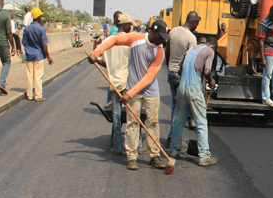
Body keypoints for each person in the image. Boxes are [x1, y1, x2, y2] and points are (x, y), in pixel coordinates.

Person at [89, 20, 170, 171]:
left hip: (150, 90)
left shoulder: (160, 51)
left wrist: (129, 94)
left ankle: (155, 155)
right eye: (160, 36)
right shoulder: (136, 38)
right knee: (133, 123)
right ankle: (132, 156)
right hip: (133, 88)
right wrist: (96, 53)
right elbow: (113, 39)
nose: (162, 40)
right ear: (152, 32)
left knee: (153, 122)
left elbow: (149, 77)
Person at [168, 36, 217, 166]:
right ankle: (204, 156)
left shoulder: (189, 51)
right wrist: (211, 80)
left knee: (178, 121)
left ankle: (173, 150)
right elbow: (207, 71)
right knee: (201, 122)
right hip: (194, 88)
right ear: (213, 46)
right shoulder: (210, 51)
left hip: (182, 87)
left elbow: (179, 70)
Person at [98, 13, 133, 155]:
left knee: (117, 116)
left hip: (113, 83)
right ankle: (132, 145)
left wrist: (111, 68)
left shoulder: (109, 41)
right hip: (127, 83)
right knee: (132, 116)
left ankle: (118, 146)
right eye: (130, 25)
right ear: (125, 25)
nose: (131, 27)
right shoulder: (129, 42)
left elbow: (104, 62)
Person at [166, 11, 200, 144]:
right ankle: (174, 138)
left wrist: (170, 67)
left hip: (171, 73)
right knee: (180, 109)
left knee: (175, 105)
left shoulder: (173, 31)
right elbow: (189, 60)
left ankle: (173, 136)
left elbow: (167, 51)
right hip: (181, 76)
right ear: (194, 22)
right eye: (197, 23)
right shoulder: (191, 38)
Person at [22, 7, 54, 101]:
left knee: (29, 75)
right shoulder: (41, 30)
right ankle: (38, 95)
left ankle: (29, 95)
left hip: (29, 55)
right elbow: (44, 45)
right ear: (39, 17)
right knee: (38, 76)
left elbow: (24, 42)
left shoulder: (26, 30)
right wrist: (48, 57)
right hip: (38, 55)